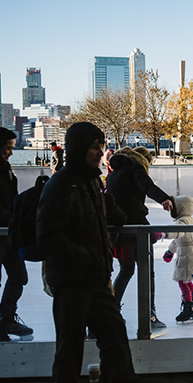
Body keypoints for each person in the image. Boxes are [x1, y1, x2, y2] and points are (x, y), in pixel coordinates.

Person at [36, 122, 138, 383]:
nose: (99, 153)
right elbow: (48, 235)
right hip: (72, 282)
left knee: (115, 338)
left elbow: (114, 217)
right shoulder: (60, 186)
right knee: (70, 349)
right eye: (94, 147)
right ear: (78, 148)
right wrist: (86, 257)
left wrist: (110, 203)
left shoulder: (92, 182)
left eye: (100, 147)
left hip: (97, 279)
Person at [106, 146, 173, 329]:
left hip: (119, 229)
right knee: (147, 271)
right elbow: (147, 186)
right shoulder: (136, 169)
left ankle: (112, 312)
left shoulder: (114, 172)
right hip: (137, 229)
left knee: (126, 270)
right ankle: (149, 314)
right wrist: (164, 199)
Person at [0, 128, 31, 341]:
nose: (11, 152)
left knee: (19, 275)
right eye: (8, 148)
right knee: (17, 275)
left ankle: (5, 318)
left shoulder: (5, 168)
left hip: (7, 233)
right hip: (4, 231)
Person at [162, 195, 193, 322]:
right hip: (190, 252)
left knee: (182, 281)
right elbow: (178, 241)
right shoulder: (189, 219)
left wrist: (164, 234)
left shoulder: (182, 222)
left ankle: (189, 306)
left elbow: (177, 233)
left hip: (186, 256)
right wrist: (170, 251)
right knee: (187, 281)